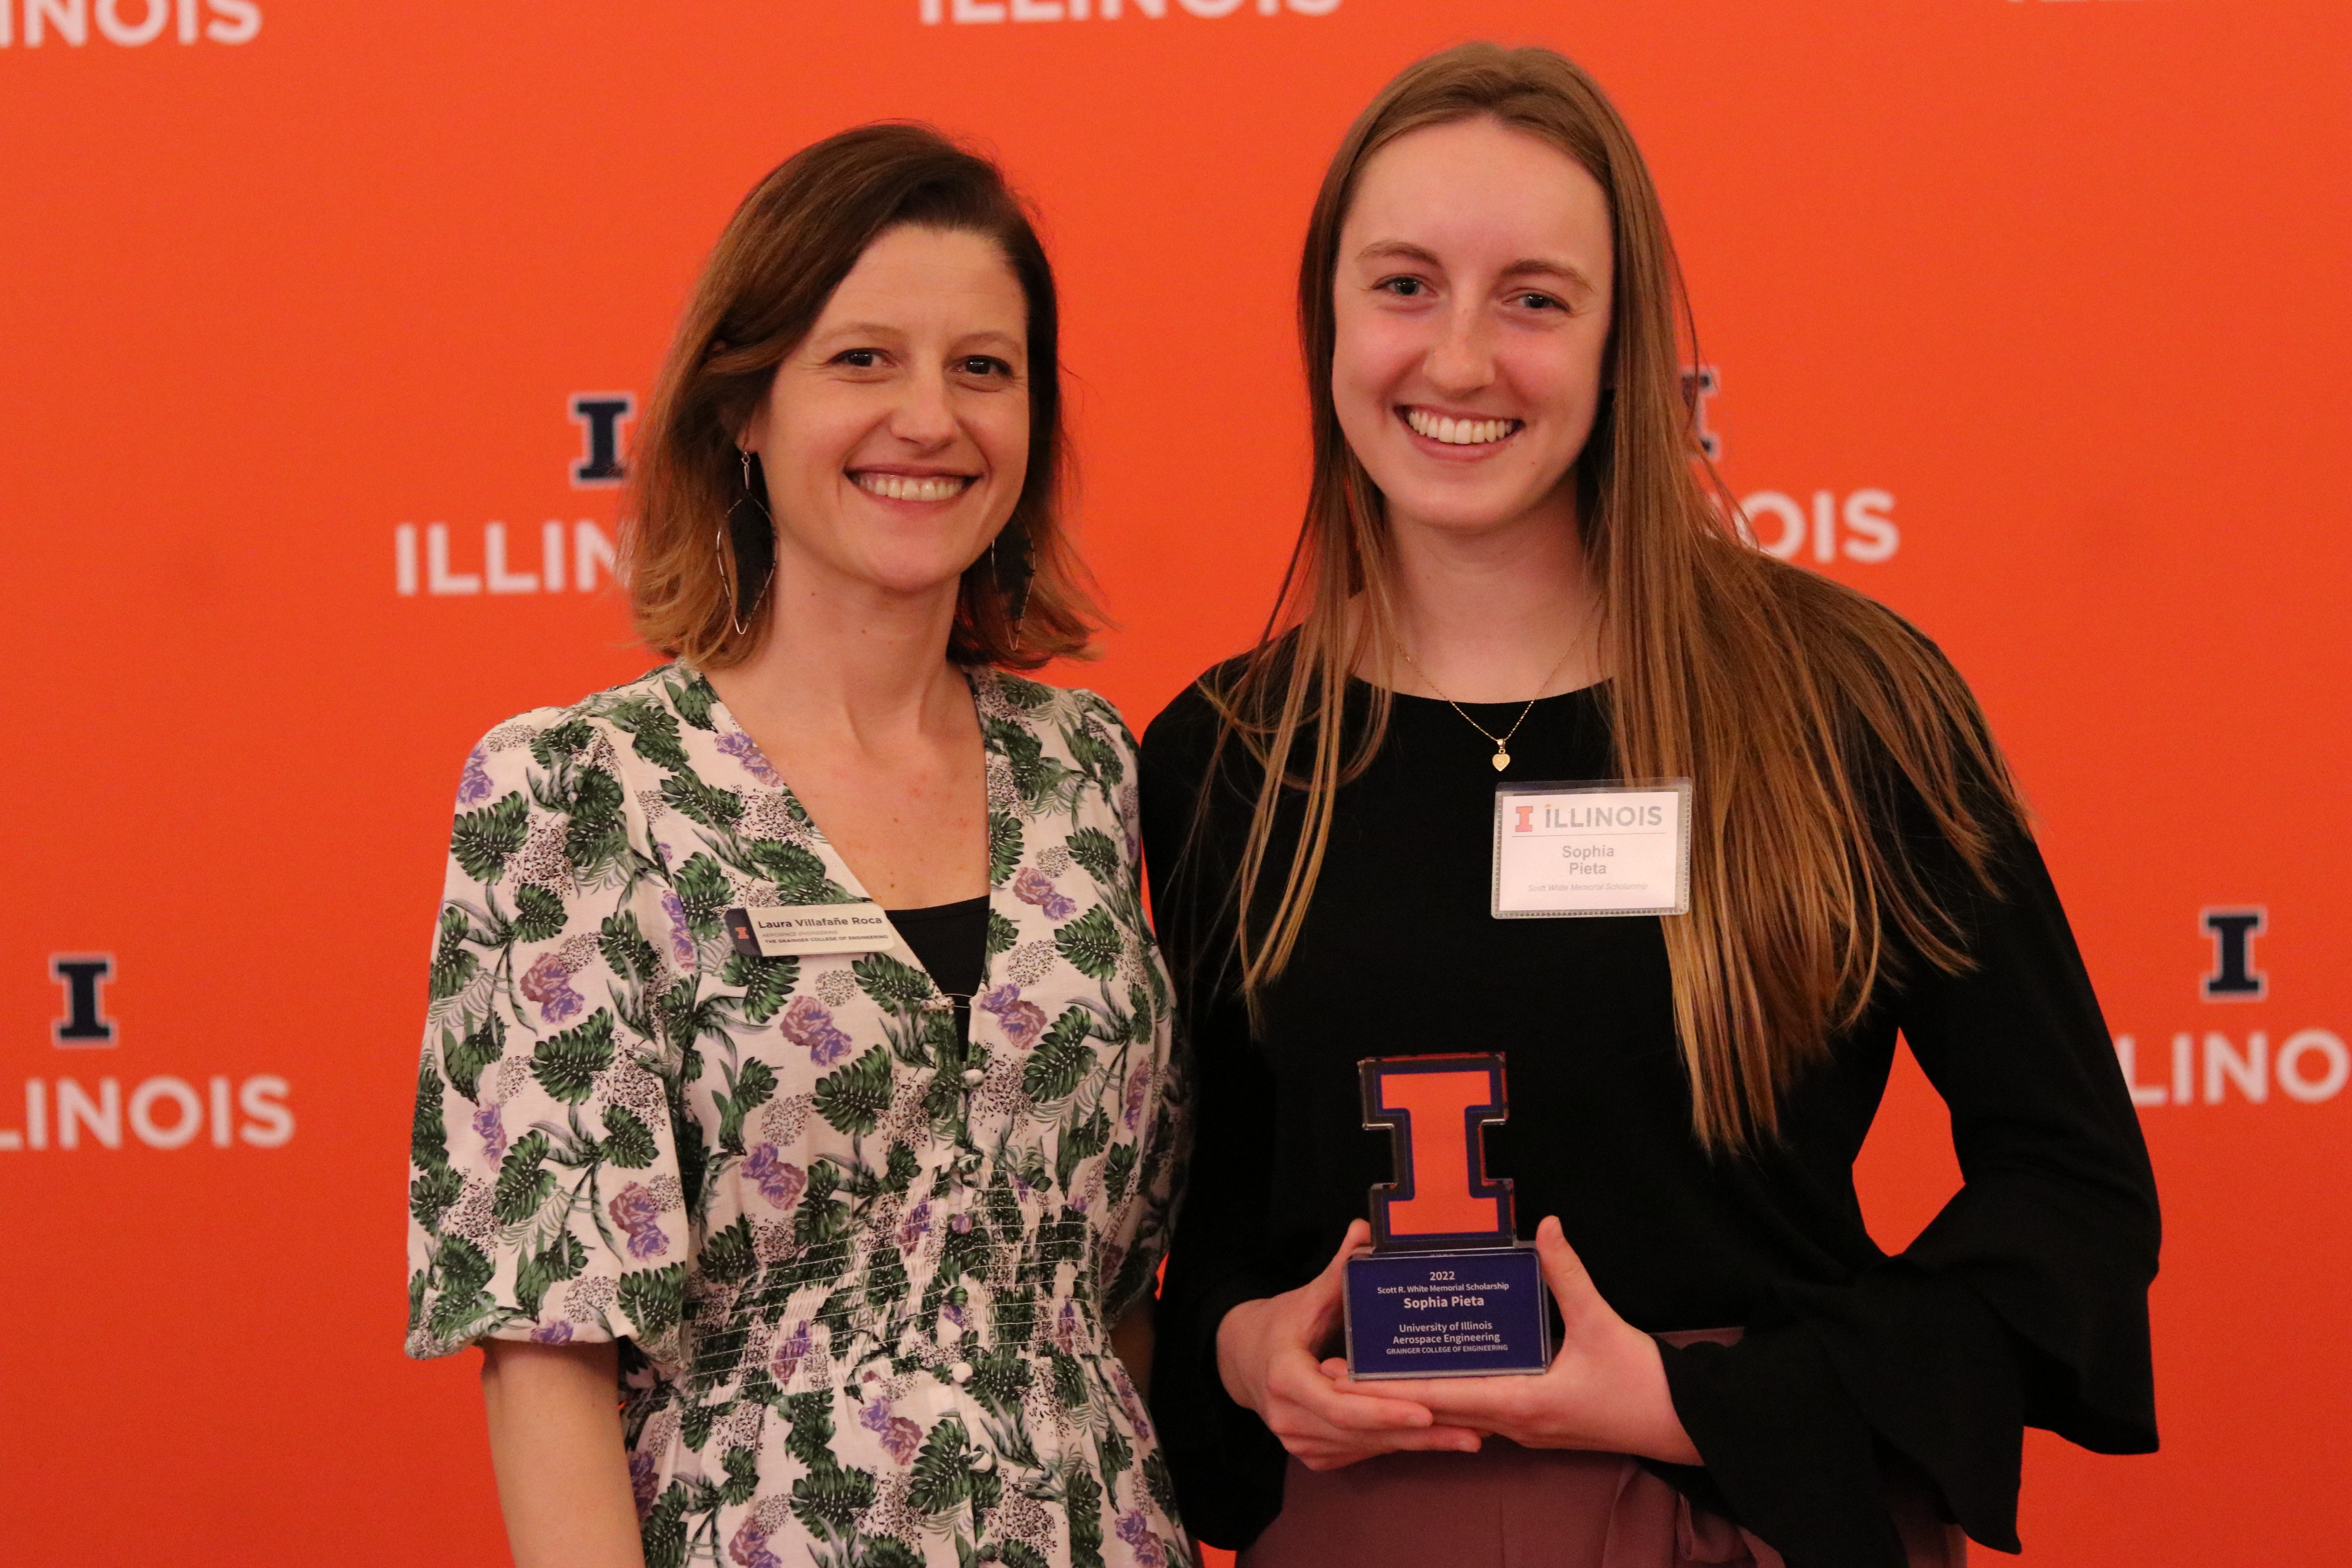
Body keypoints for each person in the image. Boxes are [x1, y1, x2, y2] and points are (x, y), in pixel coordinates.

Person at [1141, 43, 2158, 1568]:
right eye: (1405, 285)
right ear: (1326, 321)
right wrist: (1242, 1353)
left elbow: (2071, 1197)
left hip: (1749, 1521)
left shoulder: (1848, 703)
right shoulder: (1223, 754)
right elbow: (1219, 1235)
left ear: (1623, 345)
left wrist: (1701, 1400)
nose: (1463, 359)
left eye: (1535, 298)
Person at [405, 124, 1188, 1568]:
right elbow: (548, 1349)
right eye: (862, 360)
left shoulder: (1089, 769)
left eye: (983, 369)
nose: (931, 420)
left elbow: (1119, 1293)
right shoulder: (578, 792)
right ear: (745, 408)